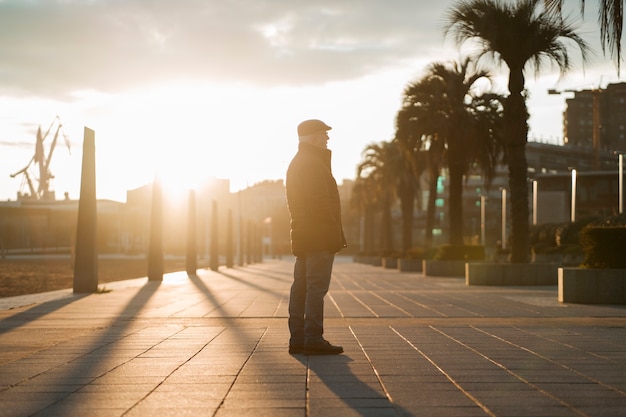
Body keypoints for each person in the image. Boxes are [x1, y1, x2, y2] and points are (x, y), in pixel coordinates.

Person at [285, 119, 347, 355]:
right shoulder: (312, 164)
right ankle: (313, 337)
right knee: (315, 287)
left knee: (301, 287)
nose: (327, 138)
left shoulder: (300, 162)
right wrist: (331, 231)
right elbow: (320, 203)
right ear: (312, 138)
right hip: (318, 236)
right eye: (323, 134)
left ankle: (298, 338)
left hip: (304, 235)